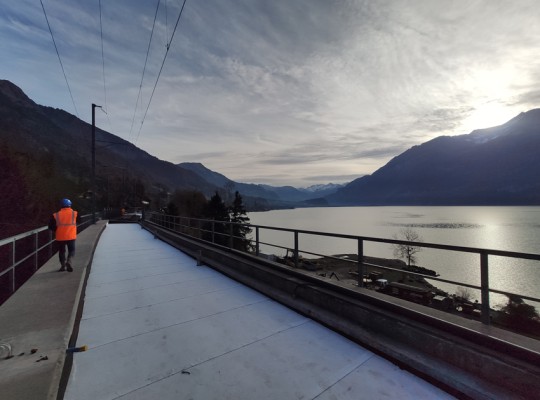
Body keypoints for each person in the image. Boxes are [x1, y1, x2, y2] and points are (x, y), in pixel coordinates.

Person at [48, 198, 79, 272]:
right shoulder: (75, 213)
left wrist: (57, 230)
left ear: (61, 206)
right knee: (71, 250)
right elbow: (79, 221)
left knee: (61, 251)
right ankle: (69, 261)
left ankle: (63, 266)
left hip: (60, 236)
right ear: (70, 205)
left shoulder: (55, 215)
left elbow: (50, 226)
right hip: (71, 236)